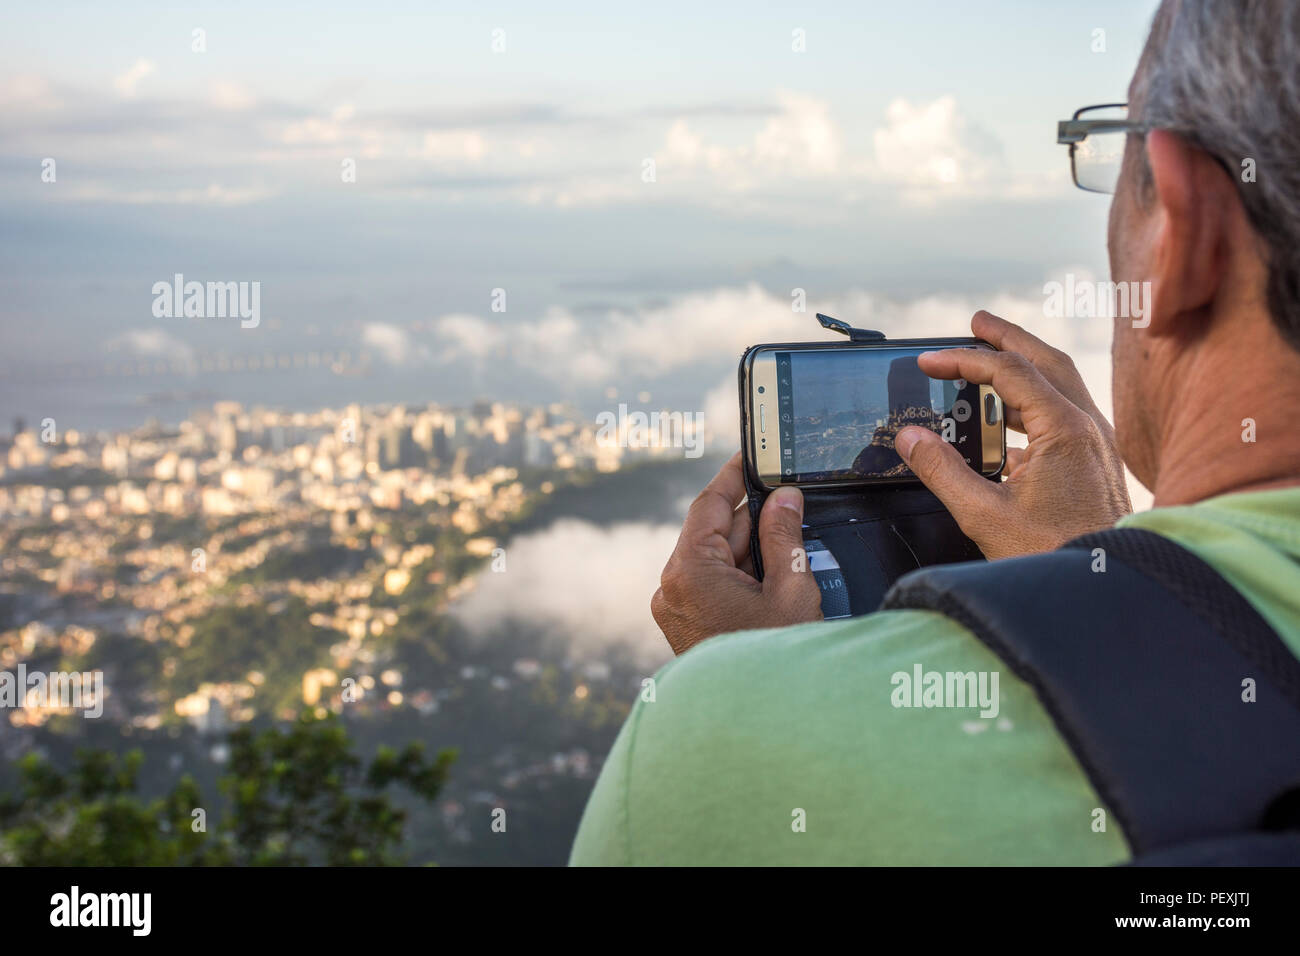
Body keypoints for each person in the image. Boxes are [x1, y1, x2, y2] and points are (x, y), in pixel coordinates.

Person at [570, 0, 1300, 865]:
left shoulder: (706, 747)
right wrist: (1101, 568)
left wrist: (769, 711)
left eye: (1115, 160)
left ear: (1186, 228)